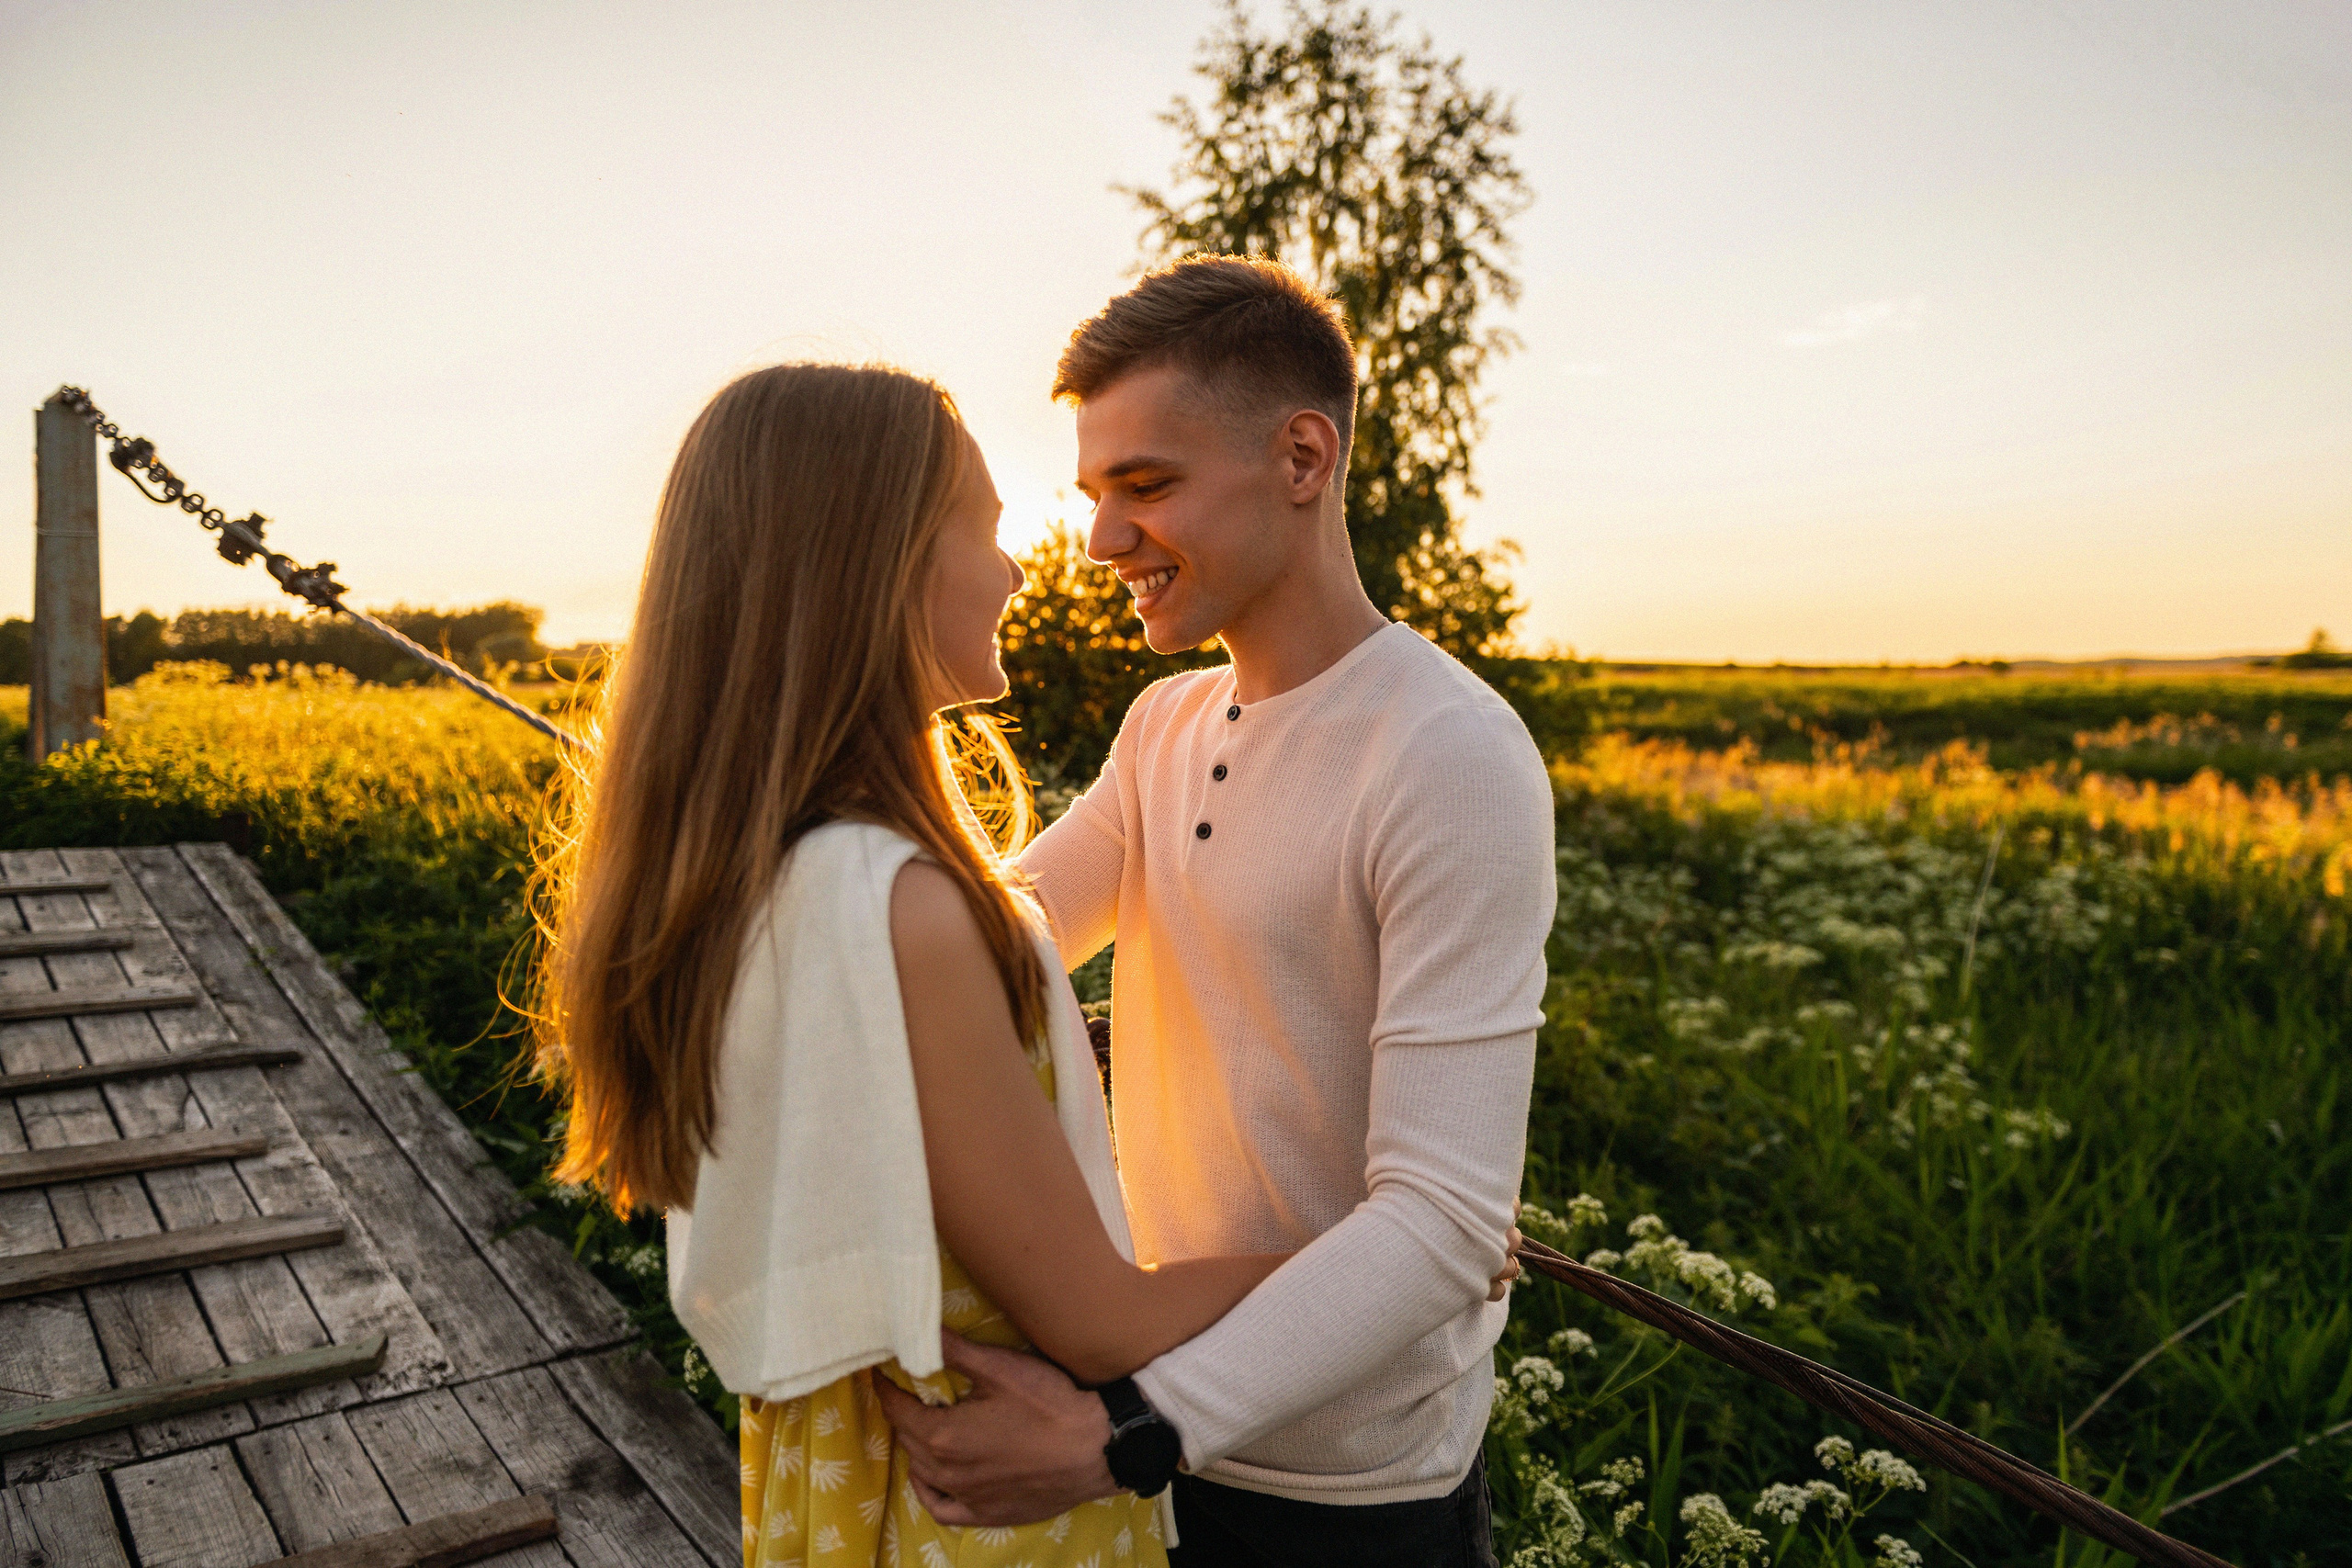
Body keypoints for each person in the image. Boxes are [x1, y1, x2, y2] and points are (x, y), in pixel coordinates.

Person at [529, 362, 1314, 1567]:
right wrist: (1367, 1251)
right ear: (872, 564)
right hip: (980, 1521)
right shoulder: (904, 911)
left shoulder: (781, 878)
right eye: (986, 531)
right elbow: (1101, 1322)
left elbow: (1029, 946)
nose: (1013, 570)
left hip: (841, 1487)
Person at [873, 257, 1558, 1568]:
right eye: (1093, 494)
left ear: (1303, 456)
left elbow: (1443, 1223)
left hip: (1347, 1498)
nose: (1102, 541)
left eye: (1148, 485)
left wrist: (1125, 1429)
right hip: (1152, 1434)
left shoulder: (1448, 755)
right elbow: (993, 944)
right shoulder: (1165, 725)